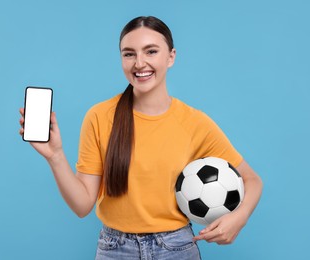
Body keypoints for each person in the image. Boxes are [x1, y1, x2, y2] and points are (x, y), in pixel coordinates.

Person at [19, 16, 263, 260]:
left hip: (176, 248)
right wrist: (56, 156)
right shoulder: (99, 116)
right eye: (129, 54)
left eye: (151, 51)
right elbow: (83, 205)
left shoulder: (195, 123)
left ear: (171, 57)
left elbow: (252, 180)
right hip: (115, 249)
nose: (140, 63)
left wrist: (238, 219)